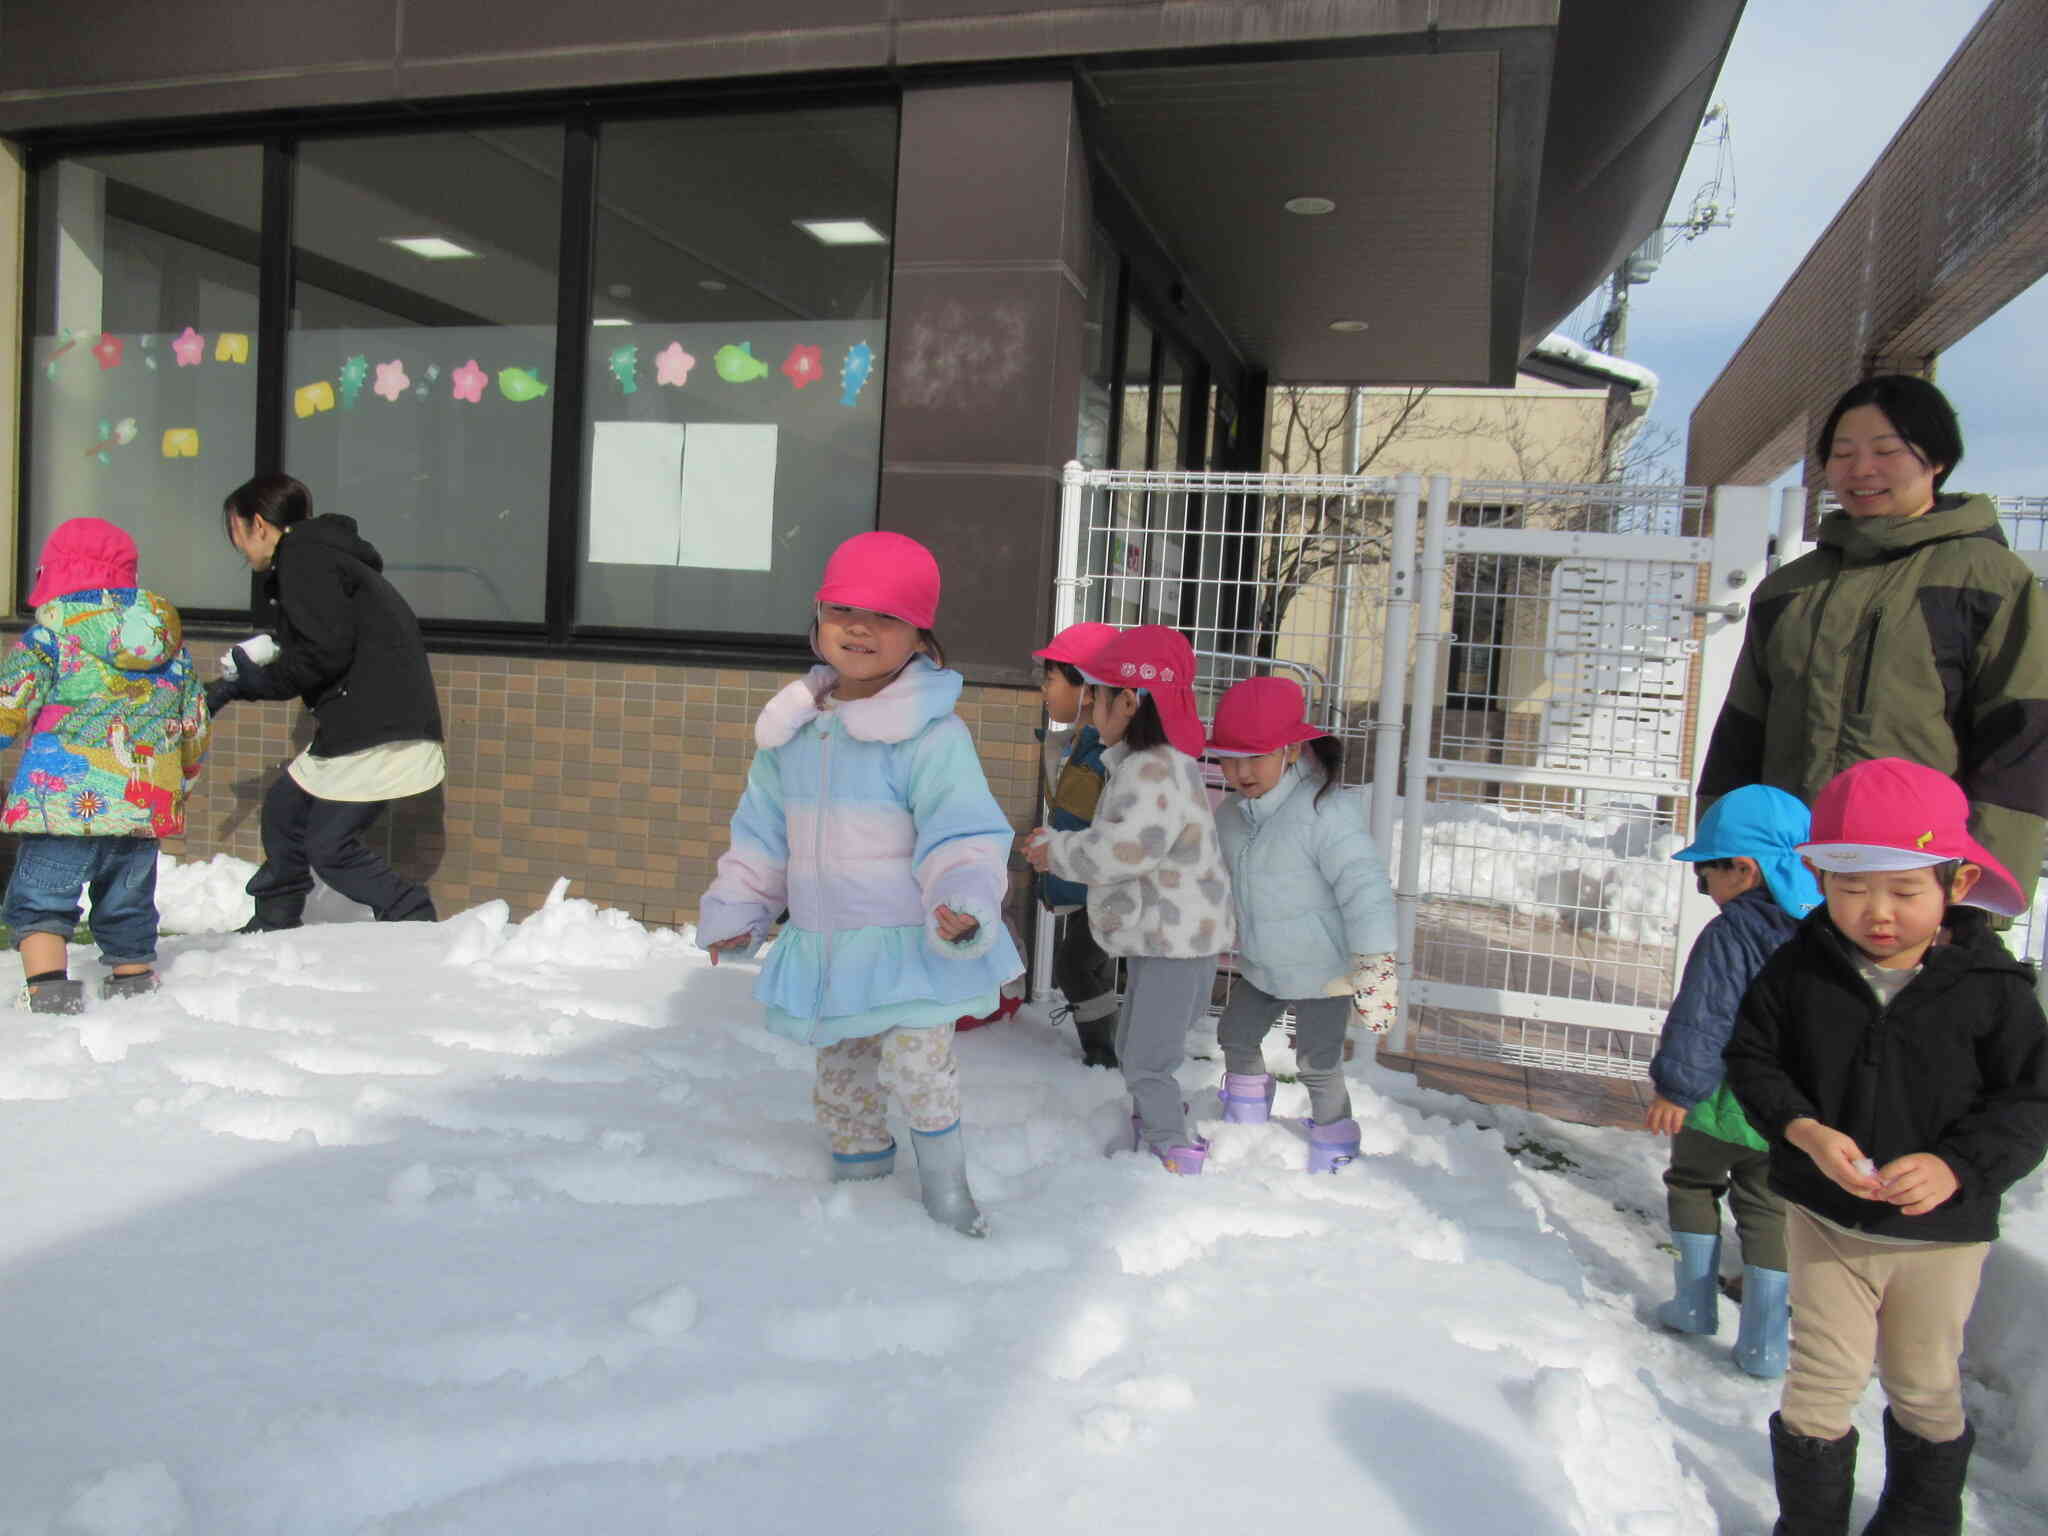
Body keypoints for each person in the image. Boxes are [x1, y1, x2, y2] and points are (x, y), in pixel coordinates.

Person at [1723, 758, 2048, 1535]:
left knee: (1924, 1381)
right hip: (1828, 1219)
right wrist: (1802, 1129)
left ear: (1957, 885)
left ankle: (1921, 1518)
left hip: (1941, 1237)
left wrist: (1955, 1167)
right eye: (1848, 887)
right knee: (1820, 1383)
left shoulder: (1993, 989)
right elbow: (1752, 1060)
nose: (1876, 912)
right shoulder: (1798, 970)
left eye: (1904, 891)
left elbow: (2031, 1100)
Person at [696, 531, 1022, 1238]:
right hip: (831, 947)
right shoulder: (790, 735)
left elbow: (961, 832)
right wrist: (741, 907)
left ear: (920, 636)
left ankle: (947, 1192)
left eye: (886, 616)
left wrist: (961, 899)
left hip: (914, 943)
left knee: (918, 1068)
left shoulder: (930, 735)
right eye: (843, 608)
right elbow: (762, 836)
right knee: (841, 1080)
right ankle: (860, 1184)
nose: (859, 627)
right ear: (817, 616)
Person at [1697, 374, 2048, 909]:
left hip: (1913, 888)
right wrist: (1723, 855)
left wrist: (1977, 892)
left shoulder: (1989, 580)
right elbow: (1743, 728)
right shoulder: (1790, 589)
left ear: (1937, 461)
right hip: (1789, 877)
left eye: (1887, 451)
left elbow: (2022, 739)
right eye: (1842, 454)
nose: (1861, 470)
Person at [1024, 624, 1232, 1174]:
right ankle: (1154, 1119)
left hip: (1175, 941)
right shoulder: (1149, 764)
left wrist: (1058, 852)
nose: (1089, 706)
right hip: (1169, 936)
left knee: (1145, 1056)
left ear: (1130, 701)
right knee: (1146, 1042)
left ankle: (1172, 1147)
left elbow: (1126, 849)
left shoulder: (1152, 769)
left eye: (1097, 694)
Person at [207, 475, 443, 931]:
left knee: (329, 847)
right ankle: (276, 918)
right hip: (364, 720)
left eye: (234, 531)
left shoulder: (305, 557)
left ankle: (411, 915)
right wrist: (236, 683)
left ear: (258, 524)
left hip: (376, 726)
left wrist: (251, 685)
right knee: (284, 809)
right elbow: (320, 643)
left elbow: (322, 654)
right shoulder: (320, 556)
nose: (236, 545)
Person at [1645, 783, 1821, 1379]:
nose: (1706, 888)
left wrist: (1677, 1088)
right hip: (1789, 1113)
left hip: (1722, 1100)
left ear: (1743, 870)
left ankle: (1695, 1304)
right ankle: (1766, 1343)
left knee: (1693, 1183)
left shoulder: (1732, 933)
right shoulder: (1824, 933)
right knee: (1769, 1211)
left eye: (1707, 875)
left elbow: (1705, 1013)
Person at [0, 518, 210, 1012]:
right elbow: (194, 723)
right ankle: (134, 989)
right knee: (127, 903)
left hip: (62, 806)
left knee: (42, 901)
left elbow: (9, 704)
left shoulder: (47, 639)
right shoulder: (169, 649)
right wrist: (184, 774)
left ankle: (49, 993)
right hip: (140, 806)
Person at [1206, 675, 1395, 1173]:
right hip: (1264, 961)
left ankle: (1335, 1146)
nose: (1241, 771)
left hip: (1324, 967)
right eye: (1229, 757)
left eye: (1256, 756)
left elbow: (1364, 884)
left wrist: (1374, 960)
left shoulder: (1323, 810)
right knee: (1235, 1034)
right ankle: (1244, 1121)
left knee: (1318, 1062)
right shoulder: (1229, 816)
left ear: (1289, 751)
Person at [1031, 620, 1120, 1067]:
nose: (1044, 690)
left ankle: (1104, 1056)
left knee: (1074, 964)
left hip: (1106, 882)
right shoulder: (1074, 744)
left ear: (1086, 690)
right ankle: (1107, 1047)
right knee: (1087, 963)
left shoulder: (1108, 754)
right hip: (1086, 879)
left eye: (1050, 679)